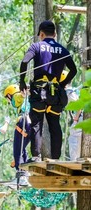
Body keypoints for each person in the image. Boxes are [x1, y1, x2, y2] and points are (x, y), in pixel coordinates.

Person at [20, 20, 77, 162]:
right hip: (55, 93)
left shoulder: (36, 46)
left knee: (37, 123)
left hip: (39, 91)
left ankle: (36, 156)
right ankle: (56, 158)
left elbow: (25, 61)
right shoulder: (63, 50)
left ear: (41, 34)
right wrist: (62, 84)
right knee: (54, 125)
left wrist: (22, 81)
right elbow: (74, 70)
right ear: (55, 34)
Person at [3, 84, 31, 186]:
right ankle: (25, 173)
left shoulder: (16, 96)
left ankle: (21, 175)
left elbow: (18, 98)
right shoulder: (29, 100)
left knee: (17, 150)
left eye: (8, 99)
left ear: (9, 95)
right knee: (22, 149)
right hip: (32, 123)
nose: (9, 102)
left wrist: (22, 93)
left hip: (23, 122)